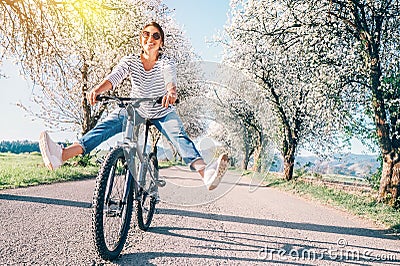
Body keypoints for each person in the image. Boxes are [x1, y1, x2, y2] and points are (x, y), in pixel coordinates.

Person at [39, 21, 228, 191]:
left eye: (156, 36)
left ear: (161, 43)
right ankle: (61, 155)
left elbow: (170, 79)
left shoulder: (165, 62)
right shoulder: (130, 61)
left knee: (179, 137)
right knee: (102, 128)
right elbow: (114, 78)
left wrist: (171, 92)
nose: (150, 39)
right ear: (141, 39)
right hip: (135, 109)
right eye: (146, 34)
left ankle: (206, 174)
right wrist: (97, 89)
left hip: (161, 111)